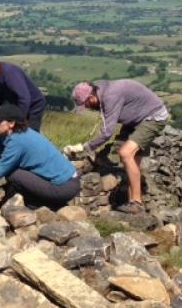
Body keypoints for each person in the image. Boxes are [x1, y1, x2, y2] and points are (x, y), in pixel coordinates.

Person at [65, 79, 168, 214]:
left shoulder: (110, 96)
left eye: (87, 104)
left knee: (126, 153)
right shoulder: (102, 93)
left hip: (153, 117)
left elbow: (107, 132)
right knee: (130, 160)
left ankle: (136, 203)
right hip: (135, 121)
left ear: (91, 97)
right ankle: (133, 206)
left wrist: (84, 147)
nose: (88, 108)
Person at [0, 103, 79, 209]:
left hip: (63, 187)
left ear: (11, 123)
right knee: (16, 170)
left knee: (13, 173)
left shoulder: (17, 141)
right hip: (69, 182)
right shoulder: (17, 133)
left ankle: (38, 205)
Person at [0, 53, 46, 131]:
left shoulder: (10, 74)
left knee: (29, 132)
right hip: (19, 103)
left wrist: (19, 120)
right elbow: (0, 95)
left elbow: (24, 98)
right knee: (16, 131)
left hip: (33, 105)